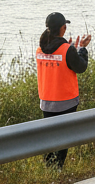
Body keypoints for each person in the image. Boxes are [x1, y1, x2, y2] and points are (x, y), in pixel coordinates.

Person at [36, 11, 91, 169]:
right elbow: (80, 67)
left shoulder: (40, 49)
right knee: (64, 136)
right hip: (66, 101)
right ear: (62, 28)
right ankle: (58, 167)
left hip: (46, 100)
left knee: (49, 136)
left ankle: (49, 168)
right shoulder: (67, 49)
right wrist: (81, 49)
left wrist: (71, 48)